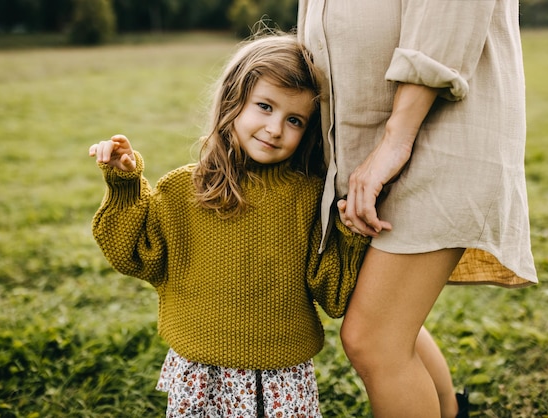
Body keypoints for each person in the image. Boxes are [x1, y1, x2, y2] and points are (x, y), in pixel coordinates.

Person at [88, 32, 370, 418]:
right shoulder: (184, 189)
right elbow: (135, 254)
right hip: (201, 369)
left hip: (281, 377)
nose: (275, 129)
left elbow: (333, 295)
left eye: (294, 119)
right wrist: (124, 184)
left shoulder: (310, 198)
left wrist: (351, 235)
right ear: (233, 102)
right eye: (265, 107)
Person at [298, 1, 538, 417]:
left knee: (374, 339)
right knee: (374, 314)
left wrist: (396, 138)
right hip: (370, 141)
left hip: (435, 127)